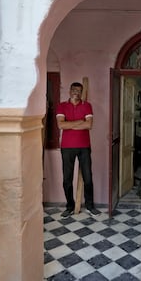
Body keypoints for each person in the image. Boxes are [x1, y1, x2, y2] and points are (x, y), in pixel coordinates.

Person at [56, 82, 100, 217]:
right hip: (67, 147)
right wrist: (80, 122)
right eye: (74, 89)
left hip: (84, 146)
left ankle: (90, 206)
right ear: (70, 91)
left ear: (81, 92)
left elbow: (89, 125)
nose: (76, 92)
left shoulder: (87, 105)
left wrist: (69, 124)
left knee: (88, 178)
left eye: (79, 90)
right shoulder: (62, 106)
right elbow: (60, 125)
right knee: (67, 179)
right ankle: (69, 206)